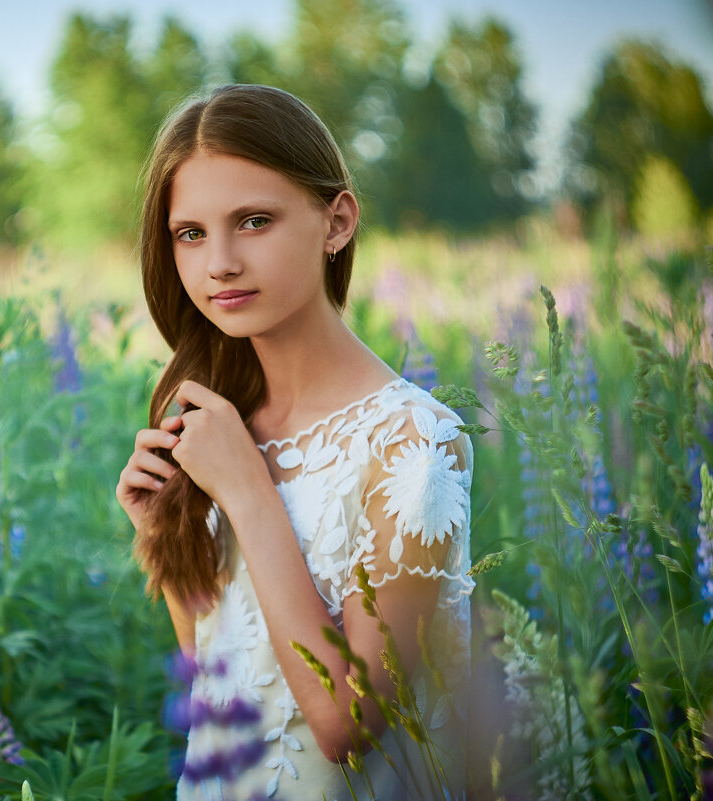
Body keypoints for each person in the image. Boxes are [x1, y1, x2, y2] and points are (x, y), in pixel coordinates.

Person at [115, 84, 475, 801]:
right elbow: (218, 681)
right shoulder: (214, 419)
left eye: (252, 220)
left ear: (336, 220)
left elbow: (348, 725)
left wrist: (247, 492)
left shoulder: (413, 440)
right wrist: (164, 535)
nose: (218, 262)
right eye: (190, 233)